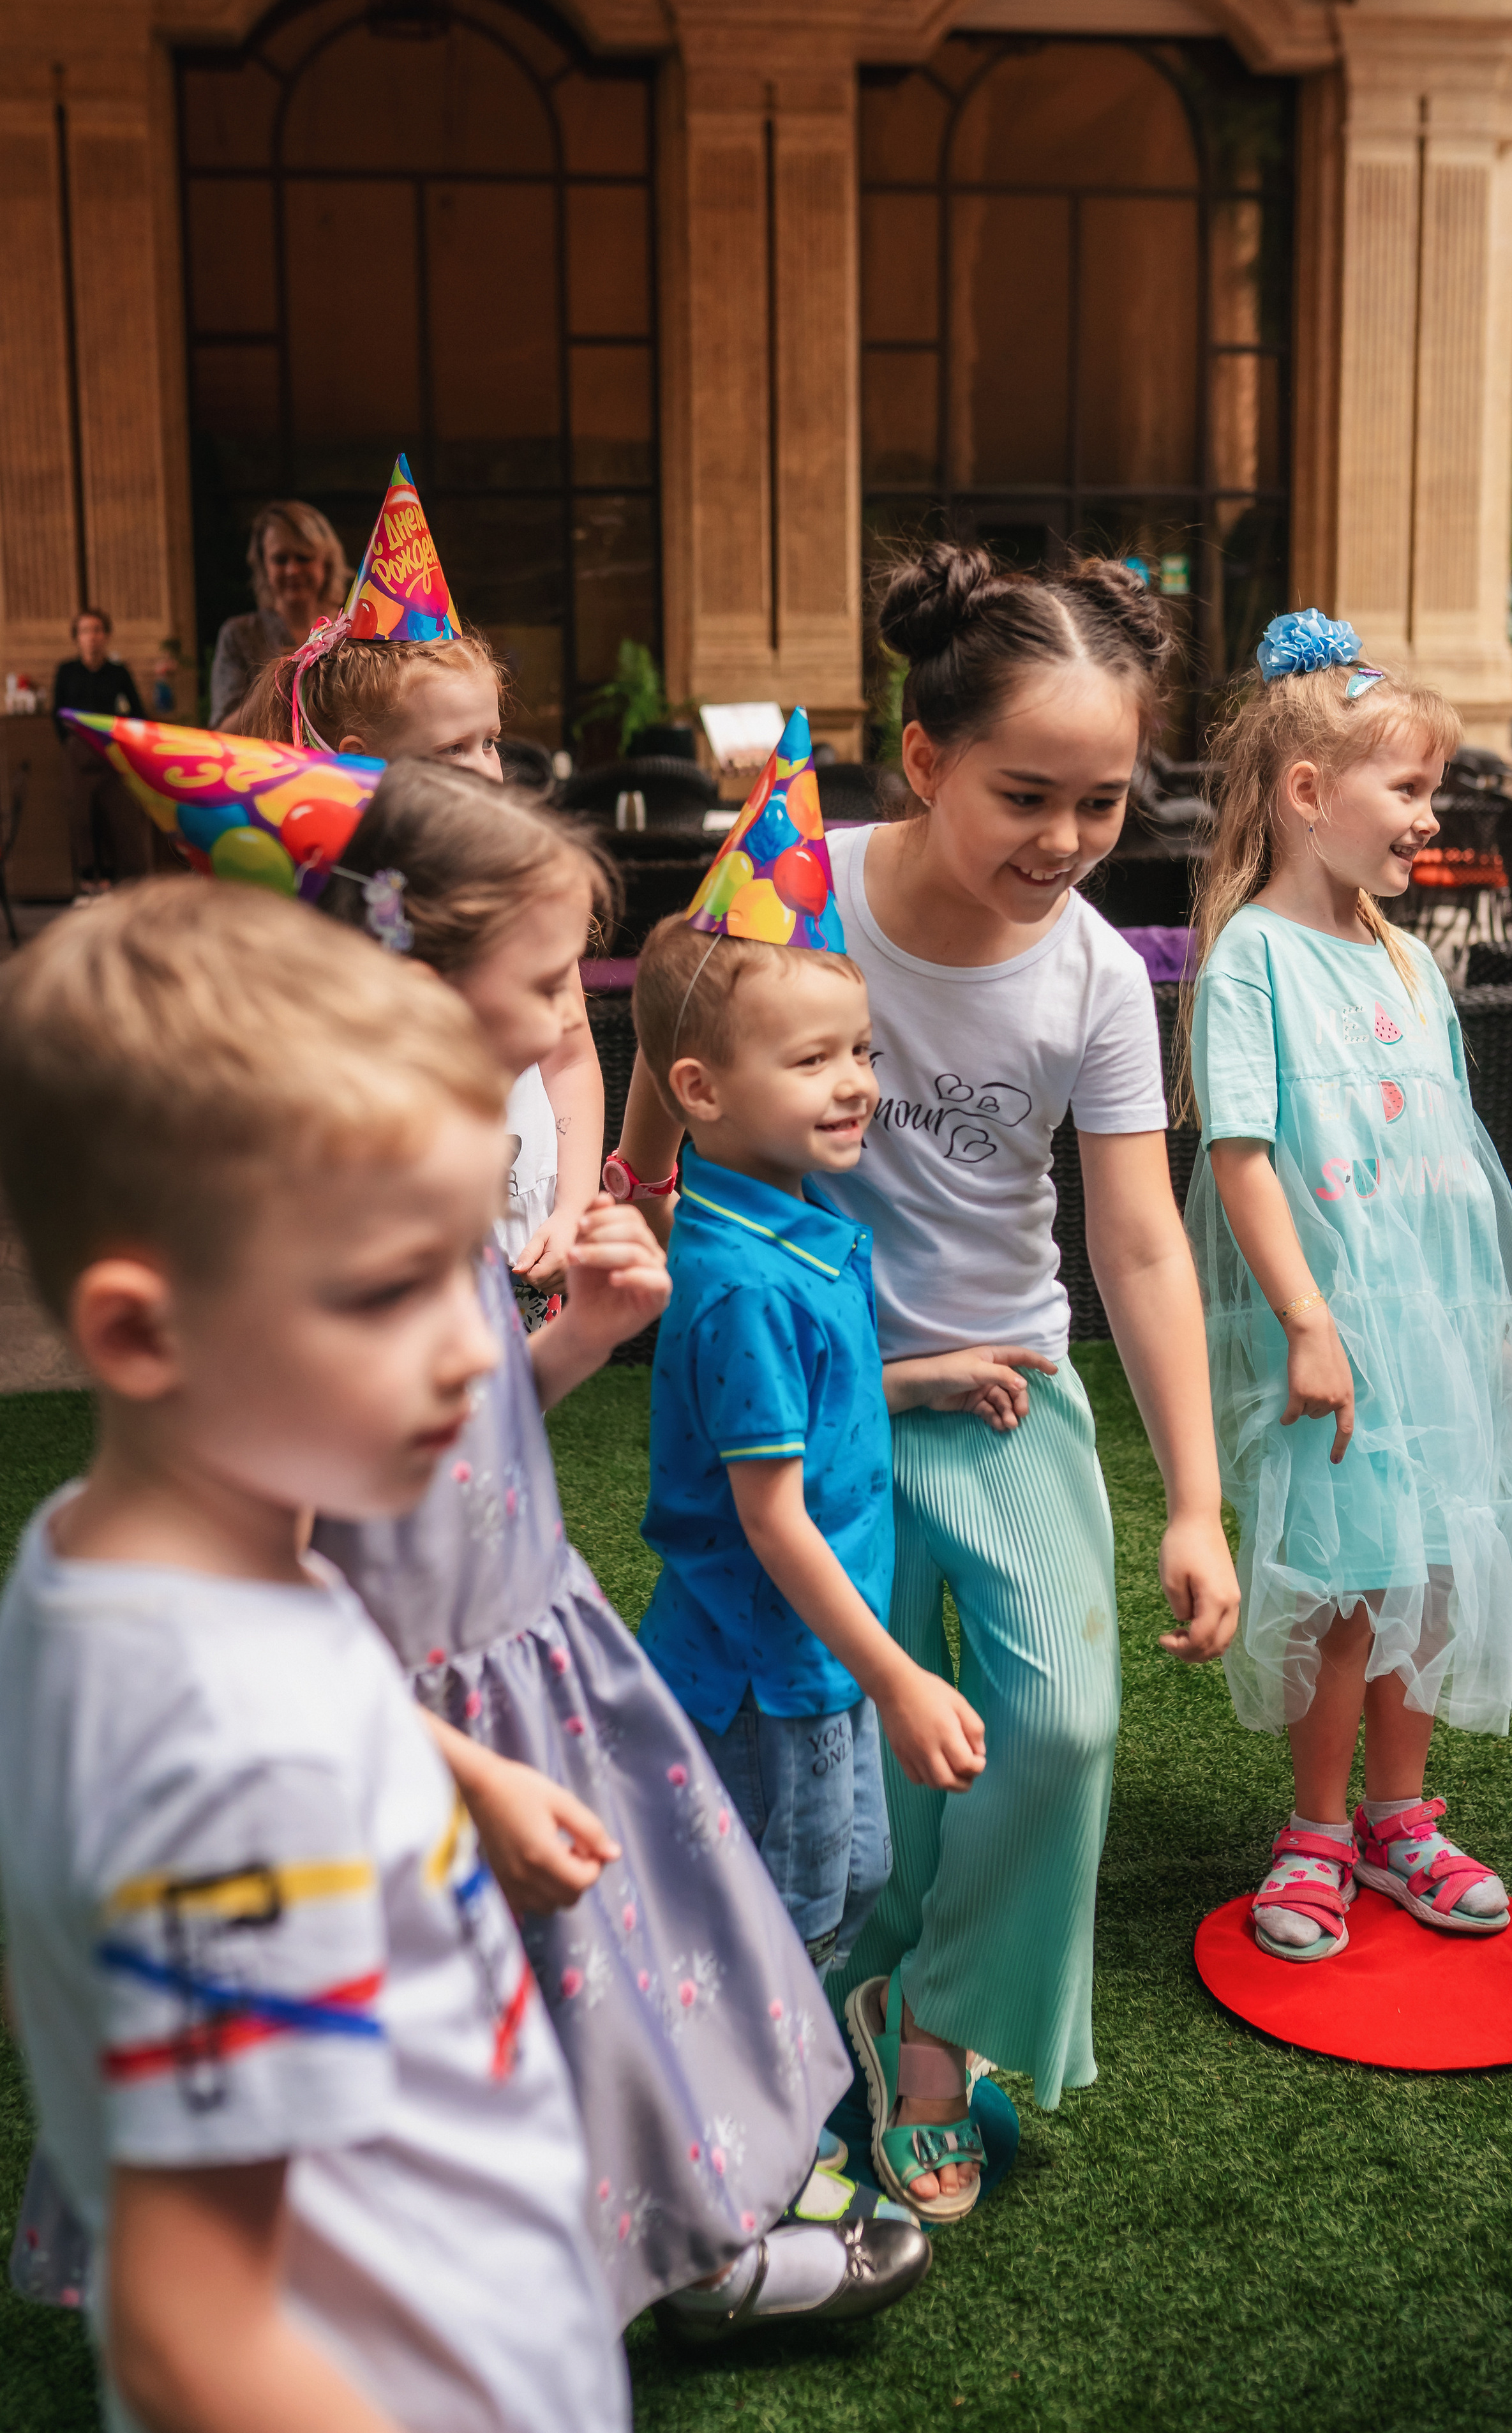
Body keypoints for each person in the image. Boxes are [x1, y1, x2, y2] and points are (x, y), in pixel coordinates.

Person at [614, 549, 1241, 2214]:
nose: (1064, 839)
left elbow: (1142, 1244)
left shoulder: (1101, 974)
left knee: (1061, 1720)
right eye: (1027, 793)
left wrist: (1196, 1497)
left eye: (1104, 802)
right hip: (818, 1399)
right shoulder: (802, 891)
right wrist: (639, 1180)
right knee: (876, 1737)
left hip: (1011, 1384)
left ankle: (942, 2013)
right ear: (926, 758)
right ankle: (877, 2027)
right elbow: (673, 998)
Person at [0, 878, 629, 2433]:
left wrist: (459, 1771)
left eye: (462, 1261)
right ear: (143, 1335)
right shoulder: (236, 1755)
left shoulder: (115, 1546)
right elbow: (192, 2335)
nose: (475, 1344)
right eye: (383, 1289)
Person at [313, 759, 929, 2338]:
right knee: (501, 1994)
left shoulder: (441, 1189)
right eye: (540, 982)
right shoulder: (335, 1237)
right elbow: (292, 1551)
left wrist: (578, 1335)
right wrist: (443, 1753)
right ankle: (654, 2254)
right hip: (432, 1701)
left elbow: (456, 1439)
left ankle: (683, 2219)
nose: (564, 1029)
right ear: (413, 981)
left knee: (608, 1961)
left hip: (531, 1646)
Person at [1179, 611, 1512, 1962]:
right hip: (1336, 1337)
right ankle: (1311, 1828)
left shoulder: (1408, 960)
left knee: (1433, 1566)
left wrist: (1493, 1325)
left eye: (1429, 792)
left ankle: (1396, 1820)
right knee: (1348, 1583)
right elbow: (1239, 1157)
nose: (1426, 819)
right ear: (1306, 795)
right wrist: (1306, 1324)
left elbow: (1451, 1158)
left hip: (1435, 1328)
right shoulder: (1250, 961)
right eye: (1404, 790)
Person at [239, 458, 602, 1322]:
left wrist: (576, 1204)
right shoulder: (325, 917)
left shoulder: (529, 889)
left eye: (493, 741)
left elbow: (573, 1054)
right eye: (456, 749)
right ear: (365, 757)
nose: (489, 768)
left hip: (528, 1258)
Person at [209, 499, 349, 730]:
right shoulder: (239, 635)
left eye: (303, 558)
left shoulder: (350, 629)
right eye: (280, 559)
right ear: (264, 566)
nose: (292, 570)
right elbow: (223, 733)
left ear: (327, 562)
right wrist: (279, 679)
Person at [51, 609, 150, 887]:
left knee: (114, 813)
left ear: (106, 636)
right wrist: (70, 744)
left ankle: (111, 876)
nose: (92, 637)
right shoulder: (66, 671)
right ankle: (86, 878)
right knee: (81, 815)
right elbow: (57, 712)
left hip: (111, 750)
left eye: (97, 630)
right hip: (78, 753)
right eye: (85, 631)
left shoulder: (118, 672)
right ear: (77, 638)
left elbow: (138, 711)